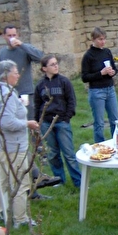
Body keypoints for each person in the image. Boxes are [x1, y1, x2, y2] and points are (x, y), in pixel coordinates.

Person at [0, 60, 39, 228]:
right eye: (15, 73)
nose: (18, 76)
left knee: (0, 180)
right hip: (12, 146)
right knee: (20, 181)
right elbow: (7, 123)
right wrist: (27, 124)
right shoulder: (5, 94)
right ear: (6, 75)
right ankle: (20, 218)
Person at [34, 55, 82, 188]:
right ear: (44, 68)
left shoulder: (64, 81)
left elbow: (71, 101)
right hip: (46, 124)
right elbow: (37, 104)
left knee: (69, 154)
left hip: (61, 122)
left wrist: (66, 118)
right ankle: (59, 180)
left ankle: (78, 182)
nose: (56, 66)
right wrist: (38, 121)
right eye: (52, 64)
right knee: (53, 153)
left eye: (56, 63)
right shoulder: (40, 85)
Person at [81, 27, 118, 143]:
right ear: (93, 39)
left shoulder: (107, 52)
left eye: (104, 39)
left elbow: (114, 68)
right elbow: (84, 77)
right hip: (97, 91)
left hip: (110, 89)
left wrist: (113, 72)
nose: (103, 42)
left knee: (115, 120)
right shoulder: (88, 56)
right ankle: (100, 147)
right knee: (99, 123)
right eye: (100, 39)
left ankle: (116, 143)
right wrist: (100, 73)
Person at [0, 25, 43, 120]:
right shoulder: (2, 53)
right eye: (9, 35)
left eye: (14, 35)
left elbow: (40, 58)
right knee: (13, 121)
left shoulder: (25, 49)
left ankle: (34, 135)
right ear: (4, 36)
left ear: (18, 35)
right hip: (9, 92)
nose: (12, 38)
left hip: (25, 92)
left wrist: (22, 45)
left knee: (31, 120)